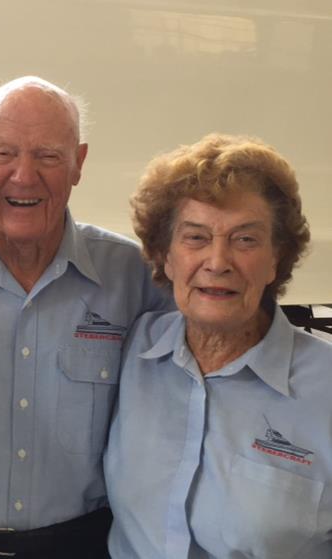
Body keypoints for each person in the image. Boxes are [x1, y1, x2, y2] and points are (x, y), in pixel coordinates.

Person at [0, 76, 169, 558]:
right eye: (3, 152)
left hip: (84, 546)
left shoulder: (132, 278)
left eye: (47, 155)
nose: (24, 176)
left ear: (79, 163)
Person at [104, 133, 332, 558]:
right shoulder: (132, 352)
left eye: (245, 239)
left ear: (276, 259)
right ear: (165, 256)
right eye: (195, 237)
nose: (218, 261)